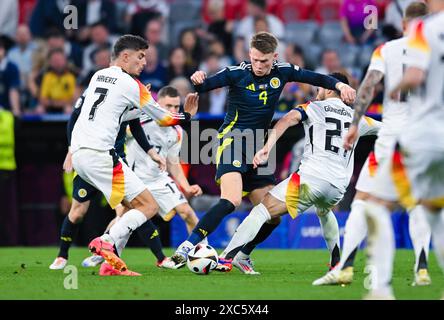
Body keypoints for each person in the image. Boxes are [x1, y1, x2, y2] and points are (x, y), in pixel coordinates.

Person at [171, 31, 356, 269]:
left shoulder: (283, 71)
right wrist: (197, 78)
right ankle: (185, 248)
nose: (259, 65)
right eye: (256, 59)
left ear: (274, 57)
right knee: (232, 200)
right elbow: (205, 84)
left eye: (265, 61)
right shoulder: (236, 73)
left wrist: (340, 84)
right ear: (250, 54)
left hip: (259, 146)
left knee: (273, 216)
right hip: (232, 140)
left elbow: (317, 78)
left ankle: (242, 256)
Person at [313, 2, 432, 288]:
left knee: (362, 200)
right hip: (427, 137)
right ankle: (422, 268)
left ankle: (346, 267)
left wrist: (354, 124)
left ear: (404, 24)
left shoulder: (386, 50)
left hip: (393, 136)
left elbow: (368, 86)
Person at [218, 73, 380, 274]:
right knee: (324, 210)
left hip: (311, 179)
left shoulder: (313, 107)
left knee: (262, 210)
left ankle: (226, 257)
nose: (317, 90)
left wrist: (267, 147)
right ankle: (336, 262)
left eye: (320, 87)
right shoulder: (359, 119)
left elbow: (287, 119)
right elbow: (388, 130)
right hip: (338, 187)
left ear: (329, 89)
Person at [69, 34, 198, 276]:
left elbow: (114, 114)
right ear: (125, 56)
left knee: (130, 208)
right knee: (148, 206)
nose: (144, 63)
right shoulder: (131, 84)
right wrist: (188, 116)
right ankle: (106, 241)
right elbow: (165, 118)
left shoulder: (98, 75)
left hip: (80, 154)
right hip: (100, 154)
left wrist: (135, 105)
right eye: (140, 57)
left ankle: (111, 265)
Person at [343, 0, 444, 299]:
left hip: (418, 136)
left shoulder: (423, 32)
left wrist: (395, 88)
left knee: (374, 204)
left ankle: (380, 288)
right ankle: (422, 268)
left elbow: (413, 78)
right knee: (434, 211)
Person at [49, 89, 175, 270]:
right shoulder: (94, 92)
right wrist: (71, 148)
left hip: (115, 162)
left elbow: (136, 126)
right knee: (77, 213)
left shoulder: (128, 92)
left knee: (136, 207)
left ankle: (159, 257)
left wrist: (150, 152)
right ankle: (62, 255)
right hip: (92, 160)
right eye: (139, 59)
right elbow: (74, 118)